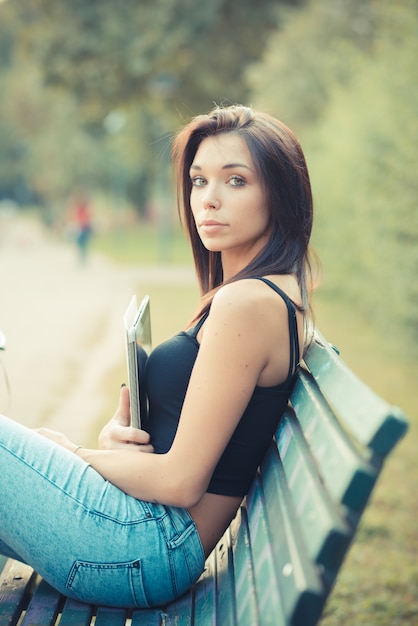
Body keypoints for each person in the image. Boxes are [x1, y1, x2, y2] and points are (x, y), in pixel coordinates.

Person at [0, 105, 315, 608]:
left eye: (235, 181)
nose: (208, 200)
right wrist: (111, 448)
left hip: (144, 545)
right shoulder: (257, 293)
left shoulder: (248, 303)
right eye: (198, 180)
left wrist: (72, 455)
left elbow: (181, 480)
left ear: (280, 193)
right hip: (141, 537)